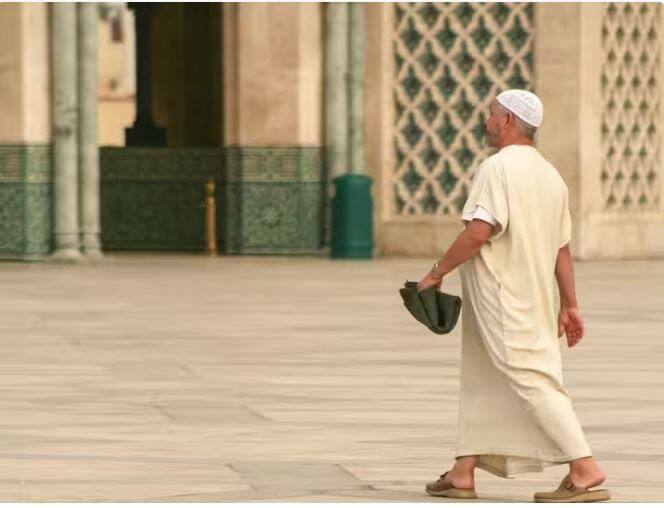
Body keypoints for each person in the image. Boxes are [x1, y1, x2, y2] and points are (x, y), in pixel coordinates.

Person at [416, 90, 610, 503]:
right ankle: (462, 471)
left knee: (532, 378)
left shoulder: (497, 168)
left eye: (490, 115)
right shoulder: (550, 175)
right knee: (482, 374)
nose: (485, 122)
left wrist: (435, 274)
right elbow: (562, 249)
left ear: (506, 120)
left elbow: (478, 232)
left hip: (503, 297)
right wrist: (570, 305)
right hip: (534, 296)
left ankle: (584, 467)